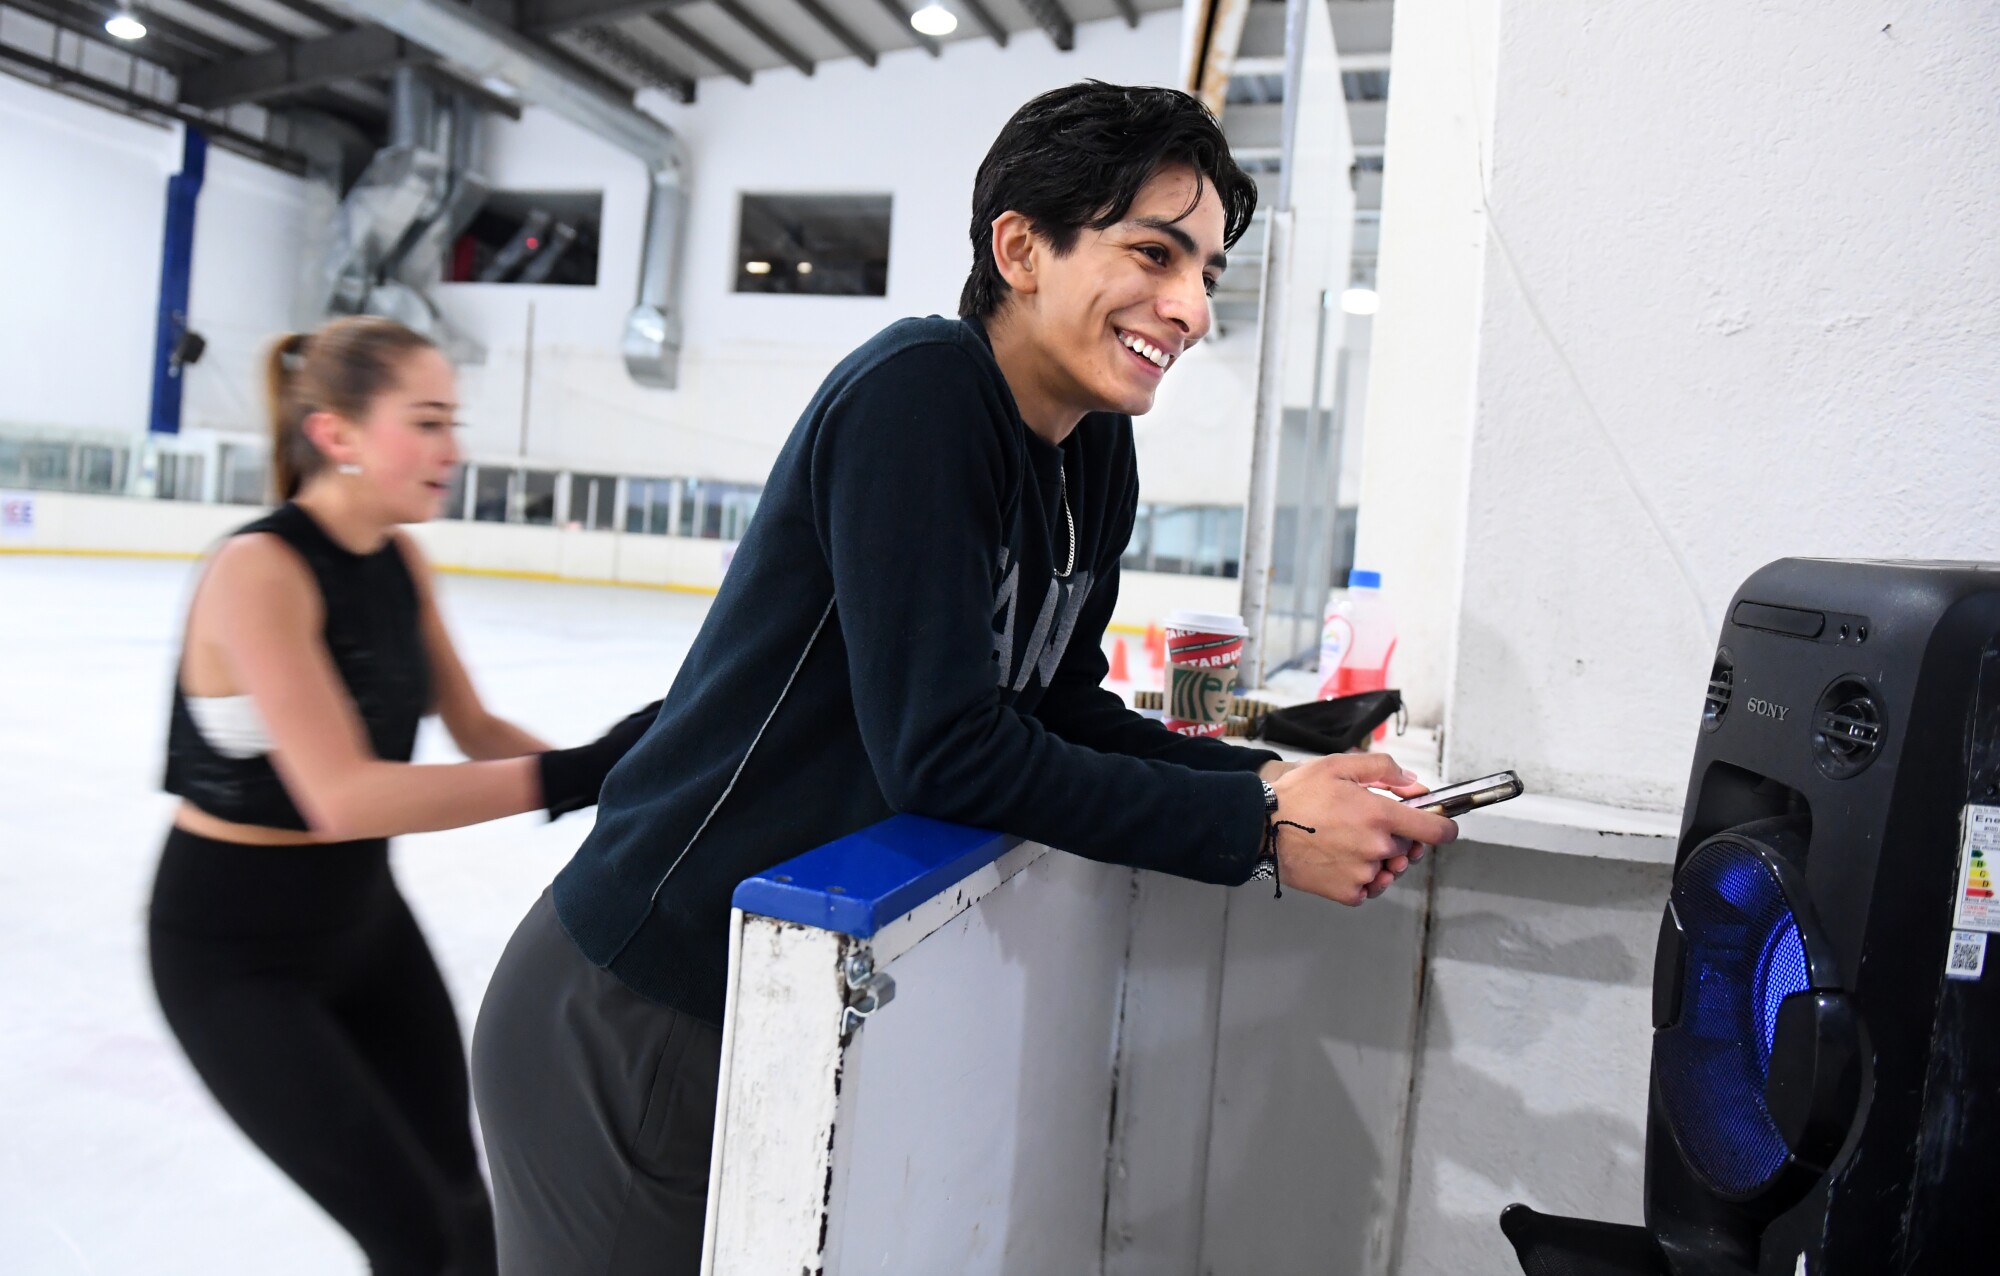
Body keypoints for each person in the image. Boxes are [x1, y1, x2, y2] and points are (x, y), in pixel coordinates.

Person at [471, 81, 1458, 1275]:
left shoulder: (1093, 450)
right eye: (1154, 251)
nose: (1190, 307)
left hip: (760, 1009)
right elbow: (942, 751)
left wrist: (1279, 776)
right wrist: (1253, 828)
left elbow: (1056, 710)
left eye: (1207, 269)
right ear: (1021, 247)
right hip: (635, 1005)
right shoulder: (920, 392)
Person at [148, 315, 656, 1276]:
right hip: (234, 958)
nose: (451, 449)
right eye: (425, 422)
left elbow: (475, 731)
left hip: (364, 927)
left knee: (466, 1212)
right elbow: (342, 795)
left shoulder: (396, 559)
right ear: (337, 435)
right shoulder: (259, 570)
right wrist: (578, 773)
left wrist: (625, 773)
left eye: (451, 422)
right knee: (410, 1233)